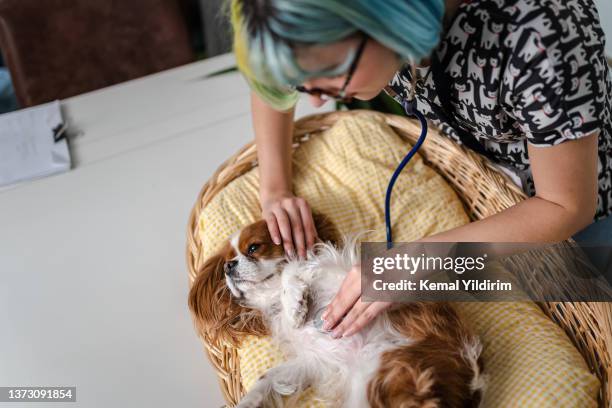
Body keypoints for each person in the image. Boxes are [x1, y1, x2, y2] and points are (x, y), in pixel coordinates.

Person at [229, 0, 612, 338]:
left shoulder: (541, 31)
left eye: (331, 73)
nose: (313, 101)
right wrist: (275, 187)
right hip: (480, 175)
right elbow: (272, 75)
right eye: (301, 82)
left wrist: (418, 260)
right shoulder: (360, 33)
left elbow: (567, 205)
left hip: (581, 203)